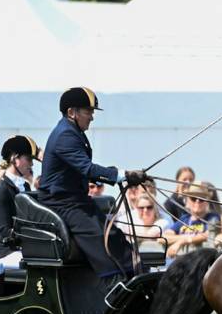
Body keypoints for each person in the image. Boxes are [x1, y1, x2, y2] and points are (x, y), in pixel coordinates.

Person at [39, 87, 145, 287]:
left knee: (114, 235)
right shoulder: (65, 135)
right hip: (61, 203)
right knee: (99, 238)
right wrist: (122, 175)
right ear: (72, 112)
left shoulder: (73, 132)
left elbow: (81, 170)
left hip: (76, 201)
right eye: (88, 111)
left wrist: (119, 174)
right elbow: (87, 168)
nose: (92, 117)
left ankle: (136, 276)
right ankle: (115, 287)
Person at [0, 135, 40, 268]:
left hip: (24, 248)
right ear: (14, 158)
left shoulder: (25, 186)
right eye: (28, 159)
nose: (31, 164)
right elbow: (4, 231)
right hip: (7, 252)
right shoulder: (1, 190)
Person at [163, 183, 221, 258]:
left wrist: (181, 242)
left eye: (201, 199)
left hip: (200, 260)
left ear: (207, 202)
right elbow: (164, 237)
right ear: (187, 201)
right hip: (181, 259)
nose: (197, 201)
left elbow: (207, 235)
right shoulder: (184, 218)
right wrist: (188, 238)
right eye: (193, 198)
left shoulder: (212, 217)